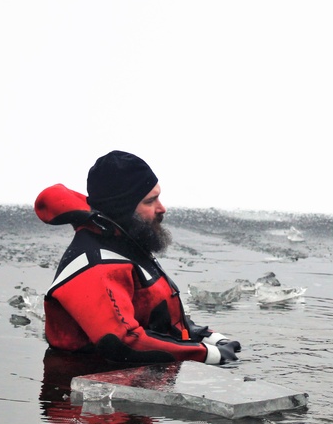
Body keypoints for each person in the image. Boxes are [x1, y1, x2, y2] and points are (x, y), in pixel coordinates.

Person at [37, 150, 240, 365]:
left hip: (139, 385)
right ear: (122, 209)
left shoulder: (125, 245)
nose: (162, 208)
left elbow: (157, 318)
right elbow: (122, 342)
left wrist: (205, 336)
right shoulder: (95, 266)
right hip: (90, 393)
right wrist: (207, 354)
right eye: (150, 201)